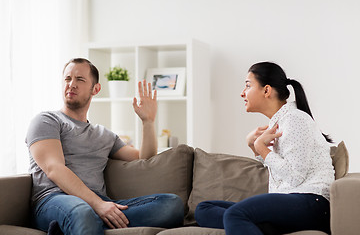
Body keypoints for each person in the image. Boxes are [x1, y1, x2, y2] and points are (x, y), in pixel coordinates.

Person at [26, 58, 184, 235]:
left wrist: (148, 121)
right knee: (82, 212)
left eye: (80, 79)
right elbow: (54, 168)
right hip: (54, 199)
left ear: (96, 89)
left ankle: (76, 227)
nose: (71, 84)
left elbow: (144, 158)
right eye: (67, 78)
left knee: (172, 205)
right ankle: (81, 222)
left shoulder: (104, 135)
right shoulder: (47, 120)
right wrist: (98, 205)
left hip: (97, 203)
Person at [195, 62, 334, 235]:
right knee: (203, 209)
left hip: (311, 202)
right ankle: (257, 227)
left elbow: (294, 177)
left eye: (247, 85)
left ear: (266, 90)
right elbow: (280, 173)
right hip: (291, 201)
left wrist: (261, 147)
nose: (242, 93)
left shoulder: (295, 119)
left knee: (235, 214)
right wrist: (255, 148)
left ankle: (249, 223)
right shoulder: (279, 123)